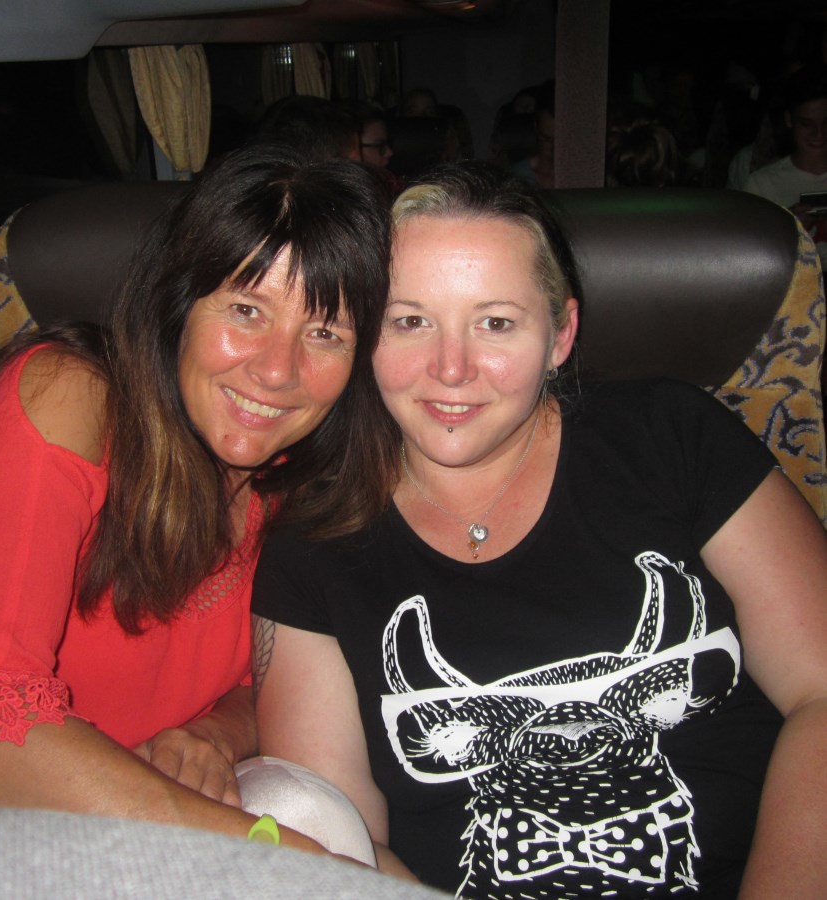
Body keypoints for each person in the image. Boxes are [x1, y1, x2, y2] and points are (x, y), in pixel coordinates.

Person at [252, 162, 827, 897]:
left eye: (496, 322)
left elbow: (820, 693)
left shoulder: (670, 439)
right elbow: (339, 841)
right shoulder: (312, 539)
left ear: (560, 335)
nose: (451, 369)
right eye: (410, 320)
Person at [0, 144, 391, 853]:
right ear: (178, 306)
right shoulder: (72, 397)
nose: (277, 370)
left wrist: (216, 733)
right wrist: (273, 853)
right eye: (247, 309)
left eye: (324, 333)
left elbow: (272, 684)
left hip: (147, 830)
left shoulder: (303, 478)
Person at [742, 63, 827, 268]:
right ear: (789, 120)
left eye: (826, 123)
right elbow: (747, 261)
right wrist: (783, 230)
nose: (819, 134)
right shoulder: (761, 187)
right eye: (806, 124)